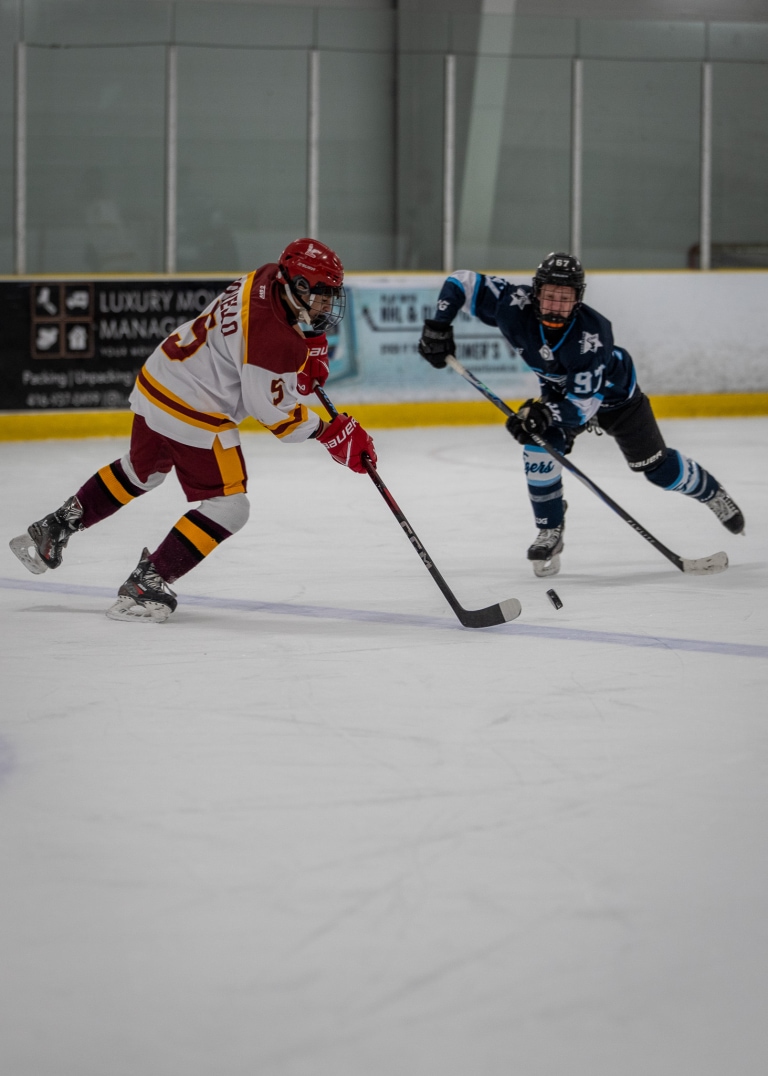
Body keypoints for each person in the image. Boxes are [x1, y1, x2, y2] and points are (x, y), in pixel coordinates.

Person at [9, 238, 377, 621]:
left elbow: (273, 342)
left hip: (161, 376)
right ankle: (147, 583)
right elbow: (274, 415)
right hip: (194, 406)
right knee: (230, 507)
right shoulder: (272, 338)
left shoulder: (267, 276)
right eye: (322, 293)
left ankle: (55, 526)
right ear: (298, 286)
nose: (326, 304)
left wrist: (310, 342)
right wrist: (332, 432)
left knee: (141, 473)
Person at [418, 252, 744, 577]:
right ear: (536, 292)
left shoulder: (591, 335)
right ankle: (550, 528)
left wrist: (541, 413)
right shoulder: (514, 304)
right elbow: (461, 281)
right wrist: (438, 326)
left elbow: (581, 407)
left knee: (657, 469)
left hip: (618, 401)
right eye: (550, 296)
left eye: (565, 298)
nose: (555, 306)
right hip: (560, 393)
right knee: (538, 445)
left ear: (578, 299)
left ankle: (711, 492)